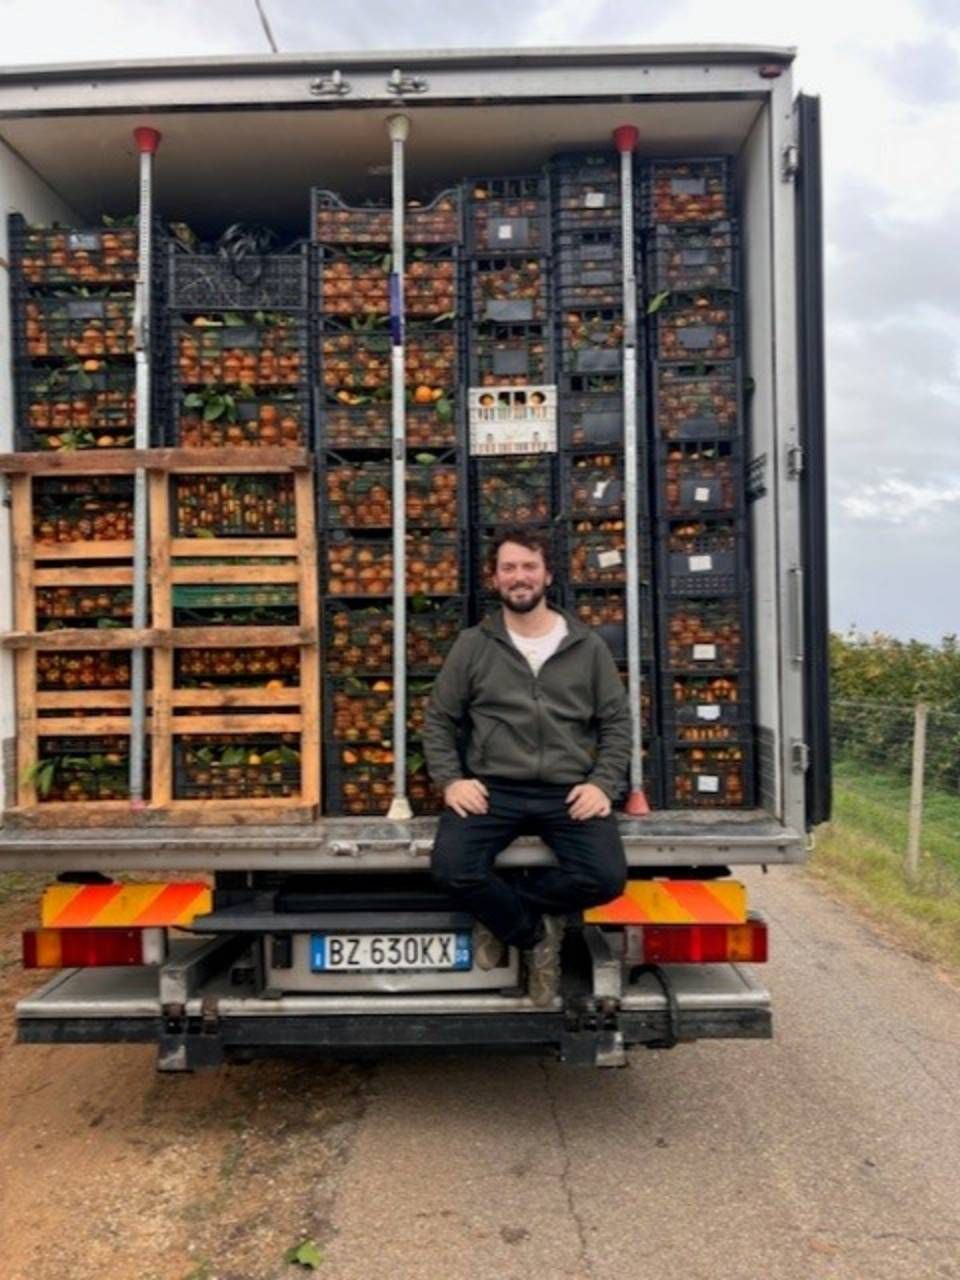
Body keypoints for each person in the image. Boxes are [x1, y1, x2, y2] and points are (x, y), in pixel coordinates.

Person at [423, 526, 630, 1006]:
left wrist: (601, 783)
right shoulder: (474, 645)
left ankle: (505, 917)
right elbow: (439, 718)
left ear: (547, 575)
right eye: (509, 568)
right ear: (495, 579)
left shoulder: (586, 646)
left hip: (567, 789)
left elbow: (617, 723)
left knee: (604, 877)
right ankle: (534, 935)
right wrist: (451, 781)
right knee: (453, 869)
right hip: (494, 787)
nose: (520, 577)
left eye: (529, 567)